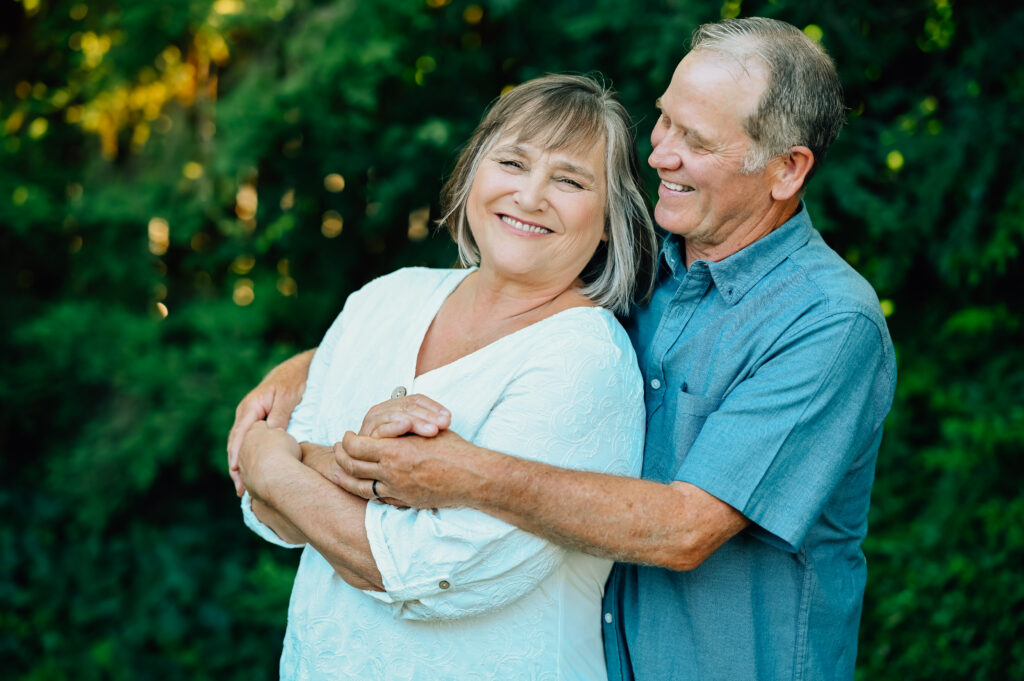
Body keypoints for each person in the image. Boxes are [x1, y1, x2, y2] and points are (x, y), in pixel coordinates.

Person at [231, 17, 897, 681]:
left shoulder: (828, 324)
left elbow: (684, 527)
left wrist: (464, 473)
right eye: (665, 121)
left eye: (695, 140)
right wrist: (302, 371)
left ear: (786, 169)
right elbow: (479, 313)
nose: (661, 153)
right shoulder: (646, 275)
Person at [233, 73, 660, 680]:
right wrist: (284, 476)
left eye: (569, 179)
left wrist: (274, 458)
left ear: (611, 219)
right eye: (512, 162)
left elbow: (420, 572)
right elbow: (267, 515)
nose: (532, 195)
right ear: (471, 173)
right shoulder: (384, 299)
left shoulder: (583, 360)